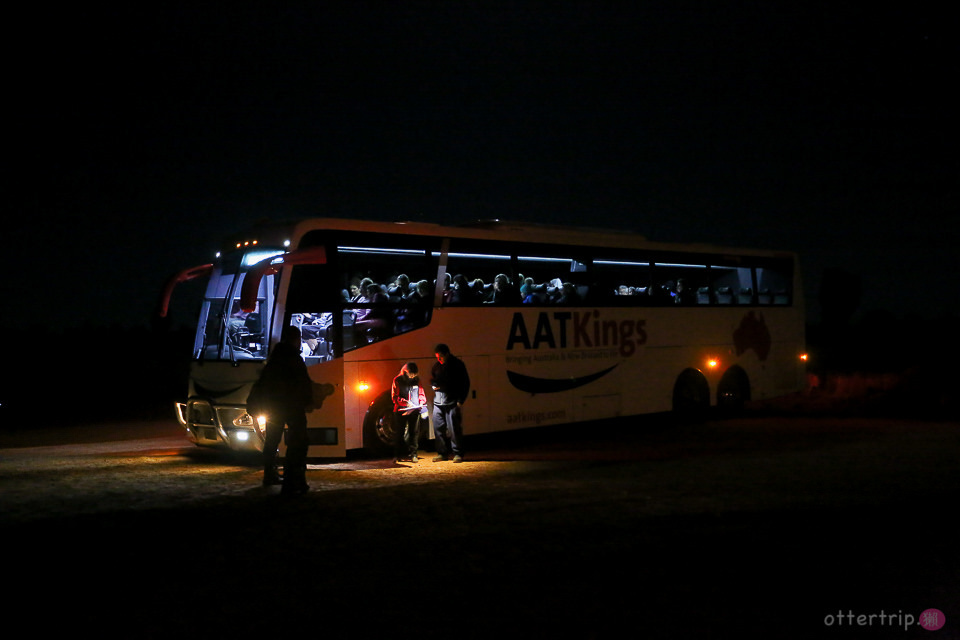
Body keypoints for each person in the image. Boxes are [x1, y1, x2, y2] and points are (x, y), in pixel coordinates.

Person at [248, 325, 315, 495]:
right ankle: (293, 479)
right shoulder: (294, 359)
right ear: (296, 339)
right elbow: (303, 384)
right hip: (292, 407)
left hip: (274, 408)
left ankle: (269, 474)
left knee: (271, 441)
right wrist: (308, 401)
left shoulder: (274, 360)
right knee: (298, 442)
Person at [430, 343, 471, 463]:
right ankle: (442, 453)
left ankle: (457, 453)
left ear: (447, 354)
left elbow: (465, 383)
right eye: (437, 357)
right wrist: (434, 385)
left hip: (452, 401)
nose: (439, 359)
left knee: (454, 428)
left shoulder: (457, 365)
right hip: (439, 401)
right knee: (438, 428)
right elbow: (433, 379)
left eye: (440, 356)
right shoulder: (437, 366)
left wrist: (460, 400)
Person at [390, 362, 428, 462]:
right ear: (406, 372)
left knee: (414, 432)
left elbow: (421, 393)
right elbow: (394, 397)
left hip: (414, 410)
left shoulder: (416, 380)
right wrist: (405, 403)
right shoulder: (397, 380)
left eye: (414, 375)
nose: (412, 377)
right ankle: (397, 455)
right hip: (401, 411)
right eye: (411, 374)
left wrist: (421, 402)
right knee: (400, 433)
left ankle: (414, 454)